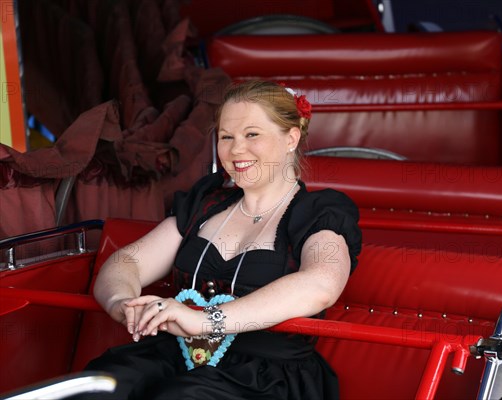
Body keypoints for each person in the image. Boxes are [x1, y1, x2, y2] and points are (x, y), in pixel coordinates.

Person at [83, 80, 362, 399]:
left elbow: (320, 285)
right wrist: (123, 303)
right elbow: (127, 262)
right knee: (100, 386)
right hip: (176, 355)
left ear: (291, 138)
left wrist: (204, 322)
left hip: (264, 377)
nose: (236, 149)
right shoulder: (206, 201)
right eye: (226, 137)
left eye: (252, 134)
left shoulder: (320, 211)